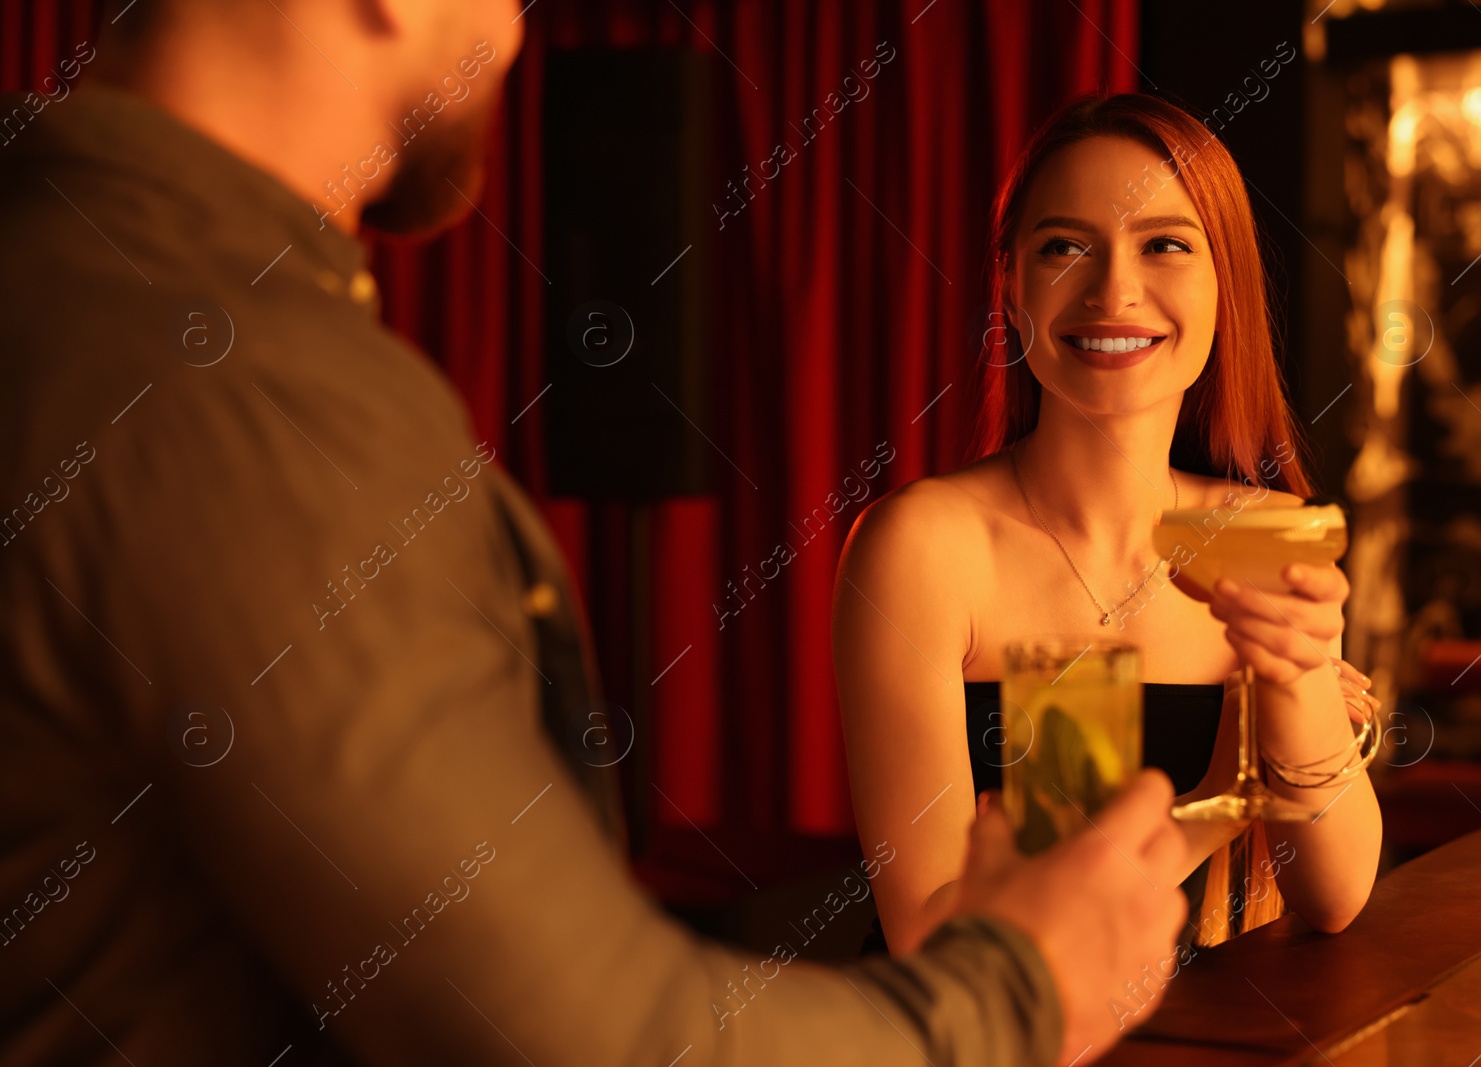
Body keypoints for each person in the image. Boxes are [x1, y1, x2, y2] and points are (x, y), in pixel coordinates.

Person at [0, 3, 1190, 1064]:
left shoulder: (73, 272)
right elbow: (590, 1035)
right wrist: (1022, 985)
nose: (517, 35)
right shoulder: (243, 390)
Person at [834, 93, 1384, 958]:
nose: (1115, 290)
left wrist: (1301, 684)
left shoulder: (1271, 534)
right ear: (1011, 288)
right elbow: (935, 932)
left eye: (1164, 244)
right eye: (1064, 248)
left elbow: (1337, 895)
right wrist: (1219, 799)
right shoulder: (923, 547)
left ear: (1223, 284)